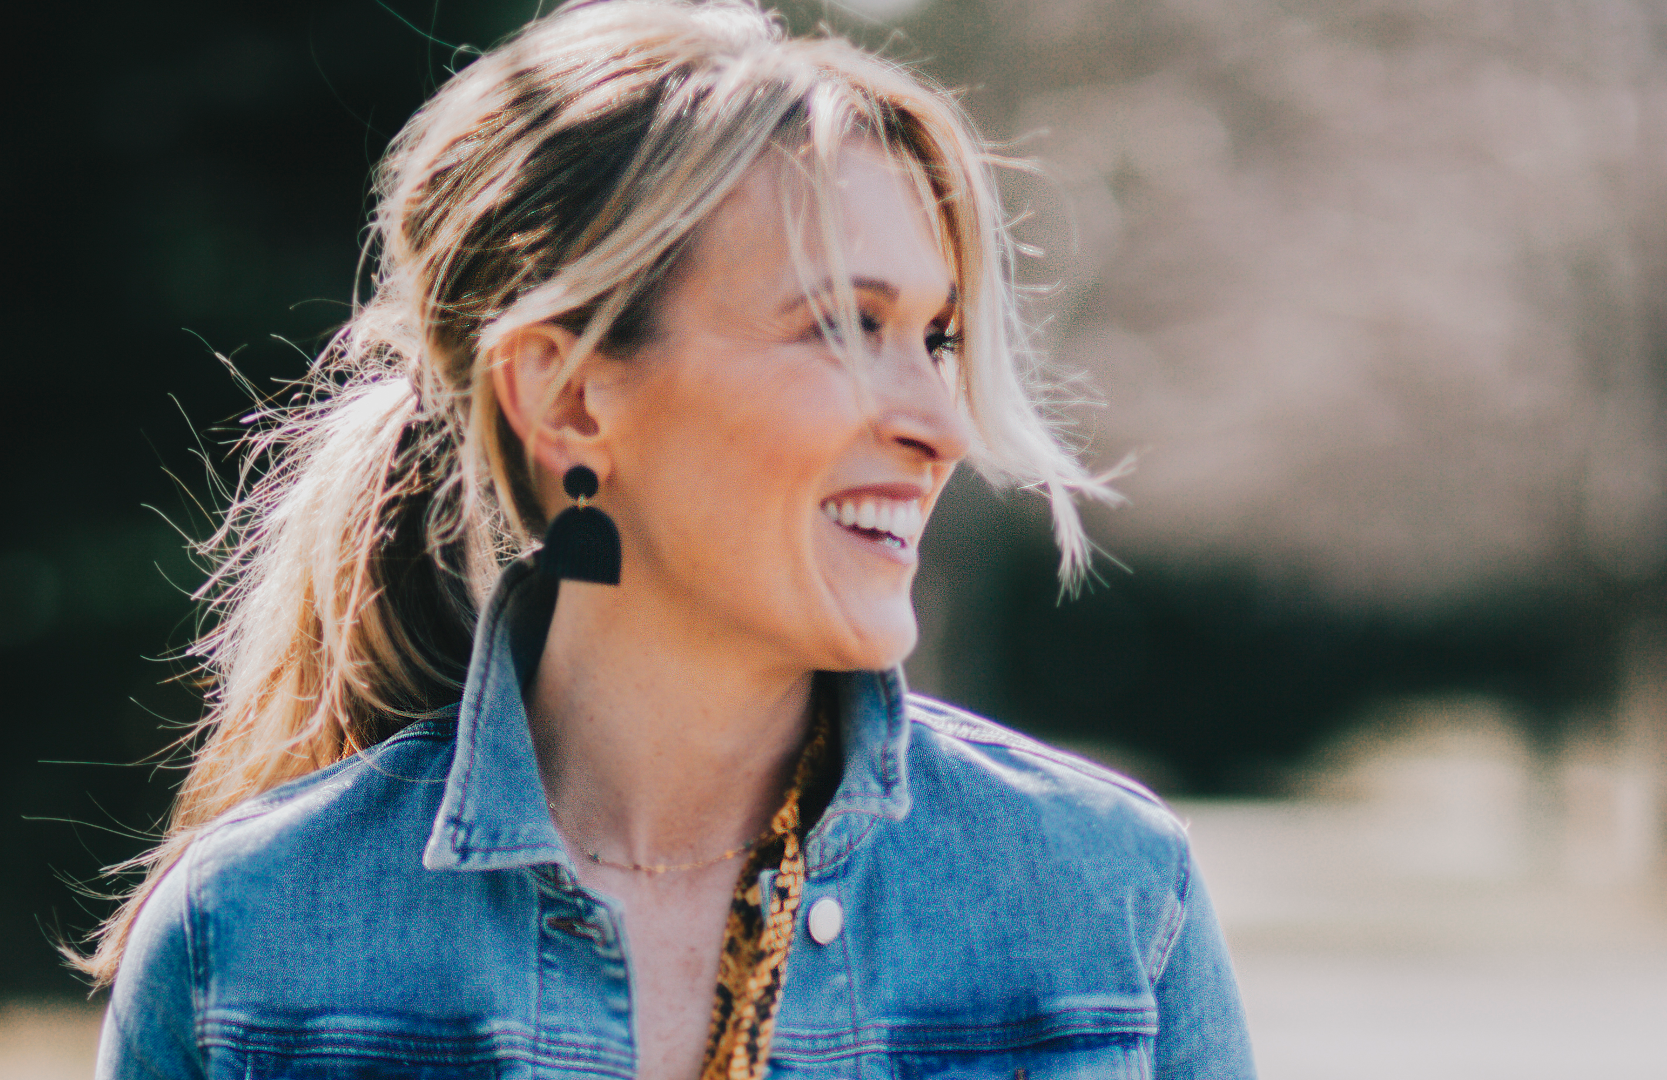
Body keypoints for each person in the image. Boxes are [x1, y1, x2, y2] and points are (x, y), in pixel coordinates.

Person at [86, 2, 1255, 1077]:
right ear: (567, 399)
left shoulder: (1110, 911)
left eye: (936, 339)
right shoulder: (243, 952)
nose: (942, 427)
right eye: (844, 327)